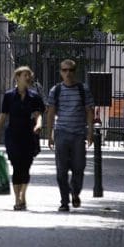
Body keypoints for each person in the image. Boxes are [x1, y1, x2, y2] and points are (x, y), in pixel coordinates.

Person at [46, 59, 94, 212]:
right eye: (64, 70)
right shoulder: (56, 90)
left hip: (79, 134)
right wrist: (50, 134)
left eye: (71, 70)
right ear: (60, 72)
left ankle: (75, 191)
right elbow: (51, 112)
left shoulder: (83, 89)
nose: (68, 73)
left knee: (79, 167)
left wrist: (90, 132)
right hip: (61, 133)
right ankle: (64, 201)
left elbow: (89, 111)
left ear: (75, 72)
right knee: (61, 171)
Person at [0, 66, 45, 211]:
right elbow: (3, 115)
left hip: (29, 136)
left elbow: (38, 114)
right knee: (16, 167)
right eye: (25, 75)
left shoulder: (34, 97)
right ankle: (18, 199)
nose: (28, 78)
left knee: (26, 168)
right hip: (13, 136)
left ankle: (23, 195)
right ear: (17, 77)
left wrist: (39, 125)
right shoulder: (9, 96)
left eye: (29, 75)